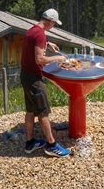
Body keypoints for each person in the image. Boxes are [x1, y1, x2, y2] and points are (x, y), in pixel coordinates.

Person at [20, 8, 71, 157]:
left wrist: (48, 44)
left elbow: (34, 42)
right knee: (43, 112)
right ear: (49, 21)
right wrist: (59, 58)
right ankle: (51, 145)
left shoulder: (32, 30)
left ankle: (30, 143)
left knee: (30, 110)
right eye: (54, 23)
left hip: (25, 75)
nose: (53, 26)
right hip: (34, 79)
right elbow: (40, 60)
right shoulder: (40, 34)